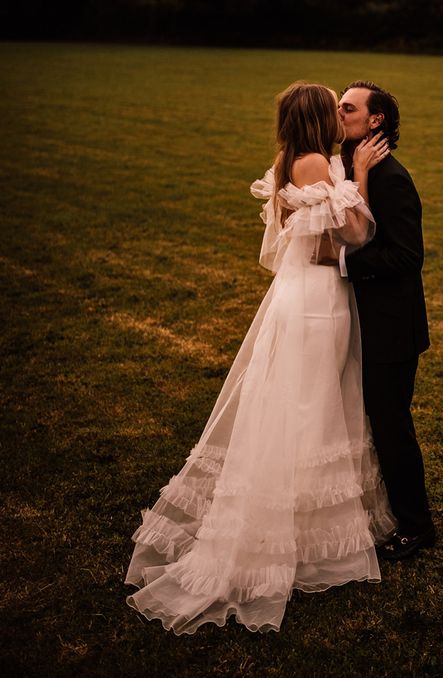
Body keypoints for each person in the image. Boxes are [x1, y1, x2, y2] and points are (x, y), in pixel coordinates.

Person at [124, 81, 395, 634]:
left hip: (298, 298)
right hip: (319, 303)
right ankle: (290, 538)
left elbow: (294, 241)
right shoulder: (318, 163)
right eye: (333, 107)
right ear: (319, 117)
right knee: (311, 406)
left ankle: (296, 527)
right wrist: (360, 176)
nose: (339, 115)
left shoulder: (285, 159)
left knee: (296, 402)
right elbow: (357, 232)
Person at [318, 81, 434, 560]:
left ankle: (416, 526)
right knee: (363, 423)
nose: (339, 112)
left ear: (375, 121)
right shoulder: (346, 166)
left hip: (389, 327)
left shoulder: (390, 176)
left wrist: (342, 263)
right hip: (356, 320)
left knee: (389, 425)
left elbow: (407, 256)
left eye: (349, 108)